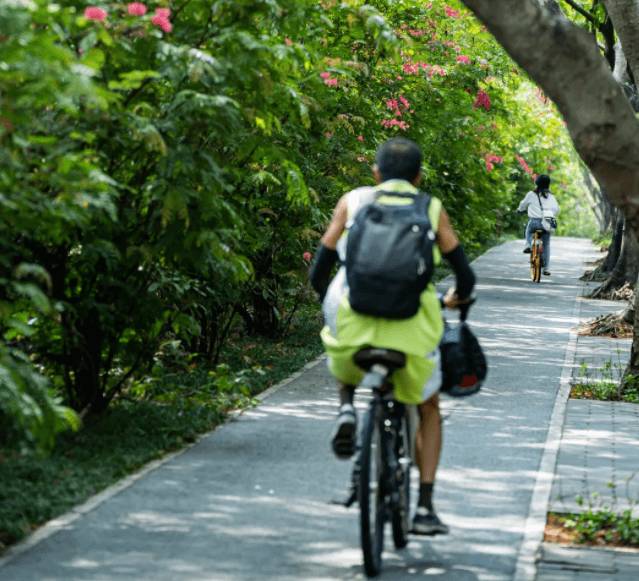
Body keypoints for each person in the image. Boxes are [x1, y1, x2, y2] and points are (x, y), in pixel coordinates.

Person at [309, 137, 475, 535]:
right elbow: (465, 275)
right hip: (412, 335)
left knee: (341, 335)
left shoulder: (352, 201)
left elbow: (319, 273)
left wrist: (331, 302)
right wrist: (456, 300)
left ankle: (347, 406)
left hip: (354, 332)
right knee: (429, 404)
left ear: (376, 173)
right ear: (419, 177)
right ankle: (425, 508)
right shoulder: (431, 208)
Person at [518, 174, 560, 276]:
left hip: (534, 222)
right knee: (546, 244)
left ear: (536, 184)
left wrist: (520, 210)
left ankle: (528, 244)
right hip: (547, 223)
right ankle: (547, 269)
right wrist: (550, 213)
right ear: (548, 185)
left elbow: (523, 205)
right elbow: (557, 209)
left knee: (529, 227)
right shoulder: (551, 197)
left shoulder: (531, 194)